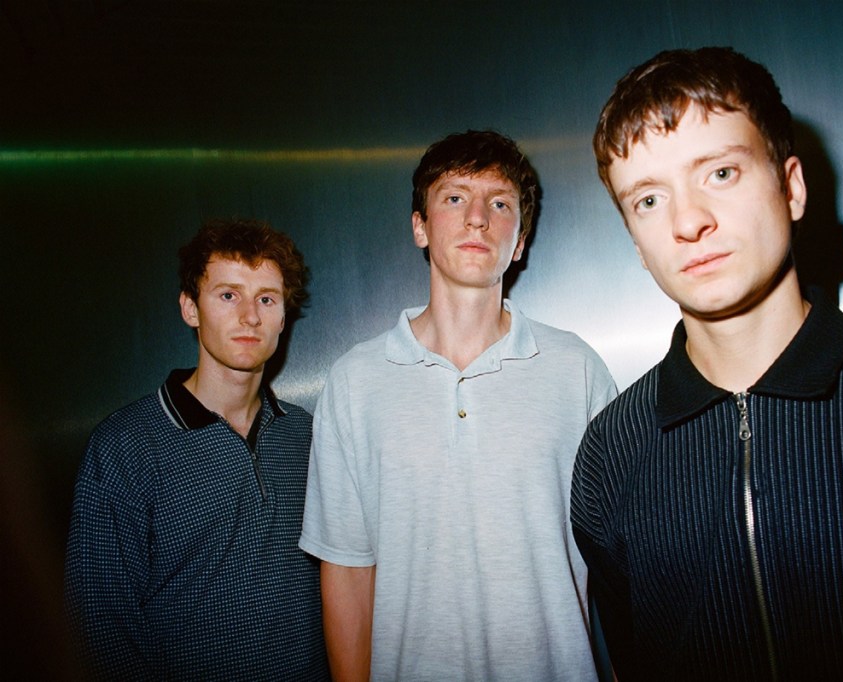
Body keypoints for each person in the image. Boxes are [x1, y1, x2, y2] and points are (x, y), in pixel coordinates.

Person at [571, 47, 843, 680]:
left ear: (792, 188)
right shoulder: (609, 455)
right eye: (648, 199)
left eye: (720, 173)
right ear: (636, 243)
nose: (688, 221)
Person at [300, 130, 617, 681]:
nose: (477, 219)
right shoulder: (354, 383)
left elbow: (620, 565)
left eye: (500, 204)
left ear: (520, 242)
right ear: (420, 227)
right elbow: (348, 573)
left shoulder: (578, 370)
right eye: (454, 197)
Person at [64, 219, 329, 680]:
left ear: (283, 318)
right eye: (228, 295)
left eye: (266, 299)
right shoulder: (126, 445)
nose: (250, 317)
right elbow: (101, 625)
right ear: (191, 308)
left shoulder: (305, 434)